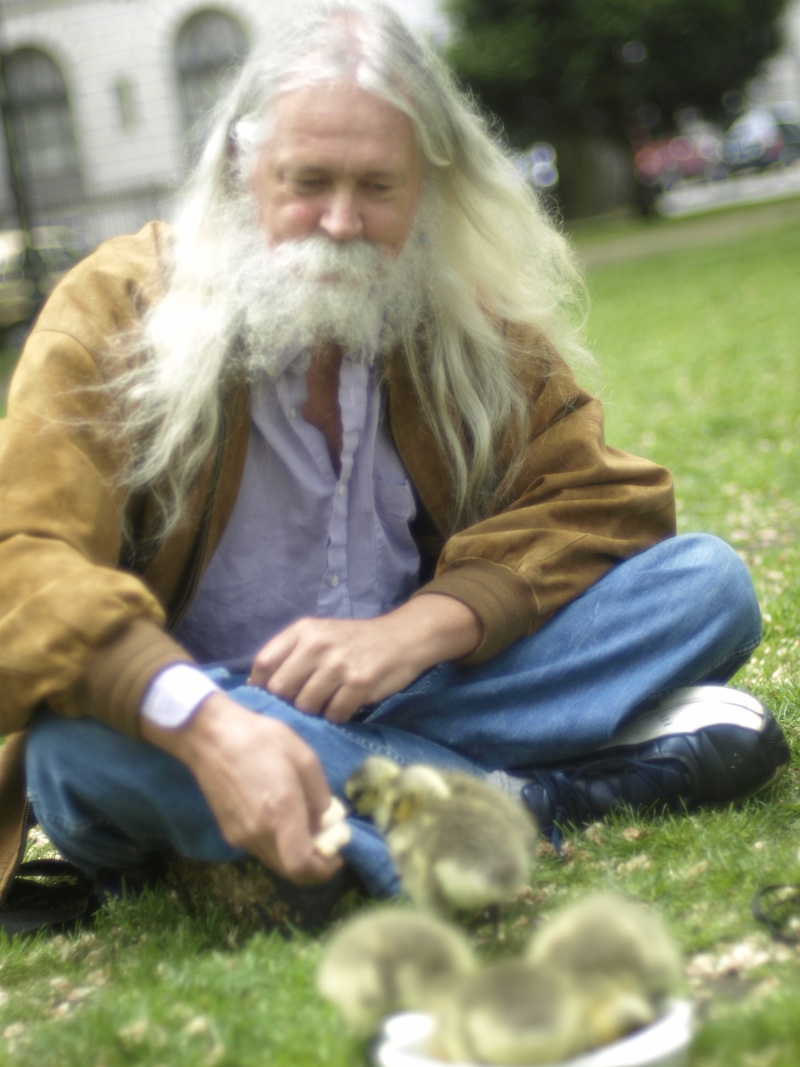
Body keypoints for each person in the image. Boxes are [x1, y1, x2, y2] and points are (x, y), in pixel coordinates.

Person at [0, 0, 789, 911]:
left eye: (377, 186)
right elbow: (24, 565)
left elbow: (603, 499)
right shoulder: (114, 308)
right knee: (74, 748)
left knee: (705, 585)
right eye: (308, 181)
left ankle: (366, 807)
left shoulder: (452, 314)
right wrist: (210, 724)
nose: (341, 220)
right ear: (242, 172)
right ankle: (511, 796)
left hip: (414, 690)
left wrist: (414, 632)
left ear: (427, 189)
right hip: (197, 715)